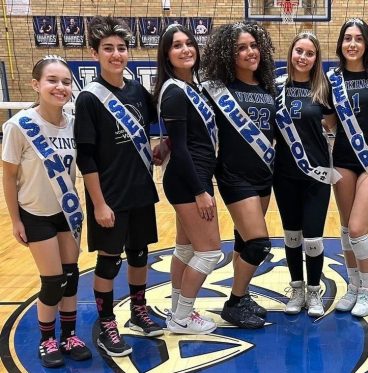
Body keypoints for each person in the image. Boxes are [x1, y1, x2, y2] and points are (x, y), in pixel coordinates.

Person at [74, 16, 162, 357]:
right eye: (108, 49)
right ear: (95, 53)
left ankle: (139, 310)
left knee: (140, 254)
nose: (116, 55)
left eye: (121, 48)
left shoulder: (138, 91)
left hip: (139, 190)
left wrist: (162, 145)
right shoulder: (89, 99)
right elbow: (87, 157)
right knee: (109, 262)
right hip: (108, 196)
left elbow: (157, 126)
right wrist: (98, 204)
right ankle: (106, 323)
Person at [2, 56, 91, 368]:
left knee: (71, 276)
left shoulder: (74, 123)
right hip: (35, 213)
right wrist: (15, 220)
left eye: (66, 82)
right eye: (52, 80)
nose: (60, 87)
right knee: (52, 280)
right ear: (35, 85)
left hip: (67, 213)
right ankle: (47, 339)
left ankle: (69, 335)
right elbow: (9, 176)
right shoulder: (19, 126)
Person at [200, 21, 276, 328]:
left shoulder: (269, 87)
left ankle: (242, 296)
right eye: (241, 48)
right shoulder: (217, 90)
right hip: (234, 176)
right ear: (227, 55)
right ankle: (234, 301)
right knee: (259, 243)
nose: (249, 52)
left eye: (253, 46)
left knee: (244, 241)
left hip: (263, 175)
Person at [153, 24, 219, 334]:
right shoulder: (175, 92)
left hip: (191, 175)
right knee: (209, 252)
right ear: (166, 54)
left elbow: (181, 137)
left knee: (186, 250)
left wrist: (164, 144)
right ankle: (182, 317)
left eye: (189, 43)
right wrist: (200, 191)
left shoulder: (191, 86)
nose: (185, 49)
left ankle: (176, 310)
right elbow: (180, 148)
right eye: (176, 45)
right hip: (188, 180)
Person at [328, 18, 368, 318]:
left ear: (366, 43)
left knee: (358, 228)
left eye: (358, 38)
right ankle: (353, 287)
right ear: (341, 44)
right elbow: (328, 122)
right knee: (345, 228)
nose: (352, 43)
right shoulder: (331, 79)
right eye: (347, 38)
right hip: (342, 158)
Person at [274, 31, 338, 317]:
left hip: (317, 174)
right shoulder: (277, 88)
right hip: (284, 174)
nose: (303, 57)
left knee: (313, 239)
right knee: (291, 237)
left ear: (316, 58)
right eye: (298, 51)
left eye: (309, 53)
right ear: (291, 53)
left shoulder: (323, 90)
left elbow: (338, 127)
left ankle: (314, 292)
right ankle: (297, 289)